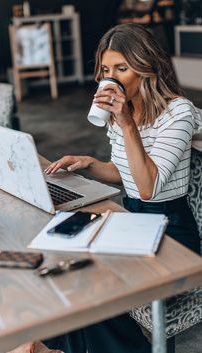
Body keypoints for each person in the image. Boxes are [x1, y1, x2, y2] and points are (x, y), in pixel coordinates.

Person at [11, 23, 201, 353]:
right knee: (73, 267)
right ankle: (54, 346)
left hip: (174, 230)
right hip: (135, 219)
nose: (109, 78)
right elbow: (124, 172)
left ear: (146, 67)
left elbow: (147, 187)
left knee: (98, 285)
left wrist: (126, 122)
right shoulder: (121, 113)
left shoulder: (177, 112)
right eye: (105, 70)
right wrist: (90, 164)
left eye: (121, 68)